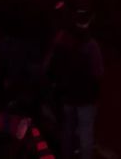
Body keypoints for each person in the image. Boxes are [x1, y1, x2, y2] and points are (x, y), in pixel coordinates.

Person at [48, 8, 103, 159]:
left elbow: (55, 65)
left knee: (68, 129)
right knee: (85, 132)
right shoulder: (92, 46)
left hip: (68, 94)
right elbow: (98, 74)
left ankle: (66, 156)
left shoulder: (64, 39)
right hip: (86, 98)